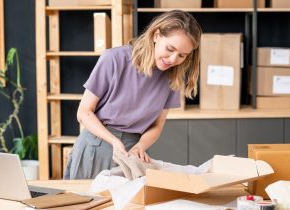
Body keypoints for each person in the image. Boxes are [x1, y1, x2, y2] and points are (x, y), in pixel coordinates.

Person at [64, 10, 202, 179]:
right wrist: (114, 142)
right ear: (156, 35)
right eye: (170, 49)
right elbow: (84, 112)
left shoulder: (172, 78)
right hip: (96, 146)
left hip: (134, 153)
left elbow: (157, 126)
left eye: (182, 55)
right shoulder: (114, 58)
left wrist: (141, 146)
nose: (173, 59)